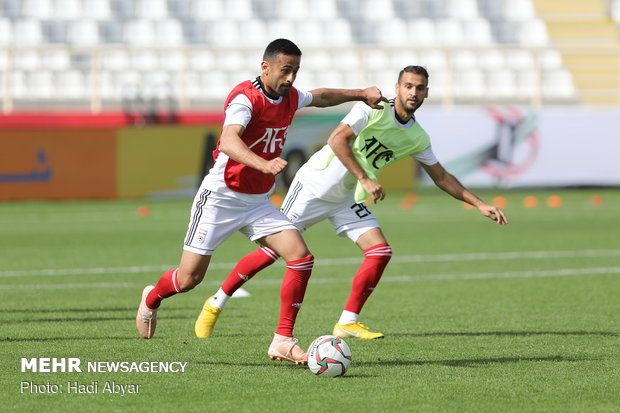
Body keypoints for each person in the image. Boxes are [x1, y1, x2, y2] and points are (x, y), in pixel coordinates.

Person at [194, 65, 509, 341]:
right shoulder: (372, 109)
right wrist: (364, 178)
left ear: (426, 92)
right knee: (273, 251)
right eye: (408, 86)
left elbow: (441, 176)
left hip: (345, 197)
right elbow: (336, 139)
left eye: (420, 88)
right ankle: (217, 300)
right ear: (397, 87)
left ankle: (347, 322)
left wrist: (478, 203)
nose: (413, 92)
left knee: (380, 251)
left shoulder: (417, 137)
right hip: (313, 187)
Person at [135, 38, 386, 365]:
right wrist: (263, 163)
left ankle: (283, 340)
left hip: (256, 201)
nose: (291, 78)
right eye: (285, 71)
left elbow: (321, 97)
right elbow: (227, 140)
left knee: (300, 256)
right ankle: (151, 298)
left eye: (295, 71)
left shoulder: (291, 96)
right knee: (188, 279)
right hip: (221, 197)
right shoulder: (245, 98)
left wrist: (361, 94)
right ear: (265, 67)